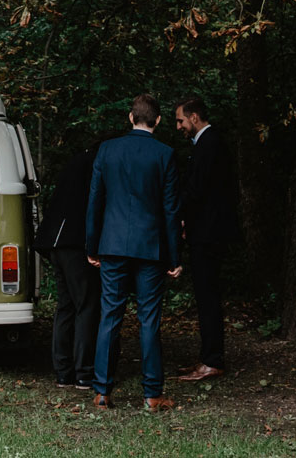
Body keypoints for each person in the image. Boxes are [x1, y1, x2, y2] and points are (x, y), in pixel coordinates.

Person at [86, 93, 182, 413]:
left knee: (110, 316)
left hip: (112, 245)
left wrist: (92, 246)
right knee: (149, 320)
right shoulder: (165, 154)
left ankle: (102, 392)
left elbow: (95, 202)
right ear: (158, 120)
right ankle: (152, 395)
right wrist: (174, 257)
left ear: (130, 117)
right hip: (151, 248)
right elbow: (171, 211)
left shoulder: (107, 150)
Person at [174, 94, 231, 382]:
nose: (179, 126)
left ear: (194, 117)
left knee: (208, 297)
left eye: (181, 120)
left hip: (208, 235)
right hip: (205, 231)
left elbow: (197, 191)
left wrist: (178, 215)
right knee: (205, 296)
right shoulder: (208, 144)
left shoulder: (209, 145)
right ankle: (208, 357)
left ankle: (212, 360)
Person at [35, 143, 101, 390]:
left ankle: (63, 371)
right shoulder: (95, 164)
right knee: (86, 305)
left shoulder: (74, 162)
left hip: (54, 241)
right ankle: (85, 372)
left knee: (66, 306)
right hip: (75, 242)